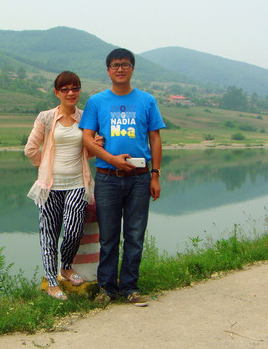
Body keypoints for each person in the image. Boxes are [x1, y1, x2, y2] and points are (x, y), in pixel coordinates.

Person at [79, 48, 165, 307]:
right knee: (108, 236)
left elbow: (155, 138)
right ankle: (107, 289)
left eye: (125, 64)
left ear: (132, 69)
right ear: (108, 70)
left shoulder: (147, 100)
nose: (120, 69)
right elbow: (86, 138)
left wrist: (155, 175)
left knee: (135, 235)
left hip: (140, 178)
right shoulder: (96, 101)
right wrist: (111, 158)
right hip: (108, 178)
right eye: (115, 65)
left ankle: (130, 288)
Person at [25, 71, 98, 300]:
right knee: (49, 234)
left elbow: (89, 153)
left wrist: (96, 144)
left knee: (74, 229)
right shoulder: (45, 117)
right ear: (56, 92)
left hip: (78, 183)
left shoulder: (86, 117)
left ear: (79, 91)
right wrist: (44, 167)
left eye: (75, 88)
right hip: (49, 186)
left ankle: (66, 266)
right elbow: (30, 149)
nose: (70, 93)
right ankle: (53, 280)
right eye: (65, 89)